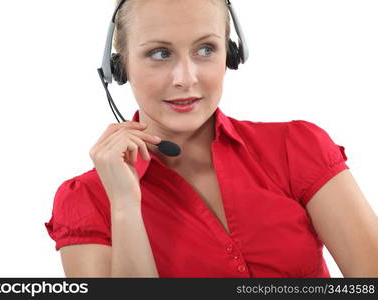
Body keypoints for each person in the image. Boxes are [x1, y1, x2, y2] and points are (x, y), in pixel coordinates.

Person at [44, 0, 378, 278]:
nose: (185, 78)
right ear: (120, 67)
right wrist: (126, 208)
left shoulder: (297, 147)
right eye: (160, 54)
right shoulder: (87, 199)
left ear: (231, 55)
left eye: (206, 49)